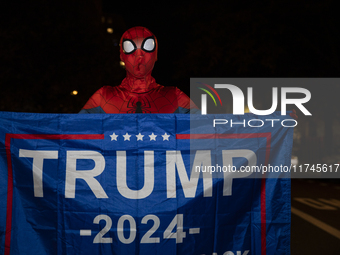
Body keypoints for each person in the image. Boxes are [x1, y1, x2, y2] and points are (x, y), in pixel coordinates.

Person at [79, 26, 197, 114]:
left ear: (155, 55)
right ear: (122, 56)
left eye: (147, 47)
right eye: (130, 47)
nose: (139, 55)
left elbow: (207, 131)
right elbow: (74, 134)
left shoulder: (174, 96)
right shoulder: (104, 97)